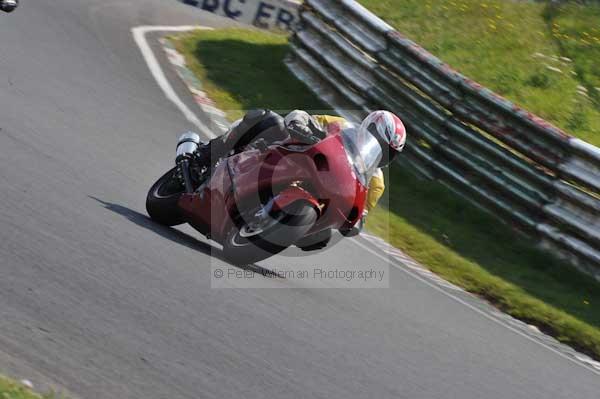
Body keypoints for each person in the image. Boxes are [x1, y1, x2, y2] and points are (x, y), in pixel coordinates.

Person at [196, 109, 406, 247]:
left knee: (321, 239)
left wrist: (355, 221)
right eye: (377, 139)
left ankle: (272, 222)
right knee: (268, 120)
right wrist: (300, 123)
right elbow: (308, 118)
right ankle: (206, 153)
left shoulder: (376, 183)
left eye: (388, 152)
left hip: (321, 194)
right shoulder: (342, 126)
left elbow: (360, 213)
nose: (380, 150)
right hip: (293, 158)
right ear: (368, 127)